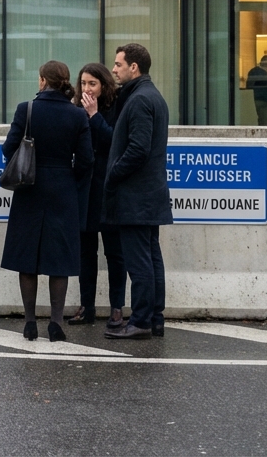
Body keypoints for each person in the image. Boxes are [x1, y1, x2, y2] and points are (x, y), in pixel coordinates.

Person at [0, 61, 93, 343]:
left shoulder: (25, 109)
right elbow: (87, 159)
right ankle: (55, 322)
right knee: (59, 259)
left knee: (27, 257)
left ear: (42, 81)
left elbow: (8, 148)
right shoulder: (77, 115)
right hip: (63, 190)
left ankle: (29, 322)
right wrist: (67, 177)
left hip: (29, 188)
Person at [102, 43, 172, 340]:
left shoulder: (140, 100)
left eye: (118, 65)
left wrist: (113, 173)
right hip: (148, 193)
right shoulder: (149, 96)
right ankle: (155, 318)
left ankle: (141, 320)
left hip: (136, 195)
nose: (114, 69)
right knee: (151, 257)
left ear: (134, 67)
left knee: (139, 261)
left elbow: (138, 150)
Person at [71, 62, 126, 329]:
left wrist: (94, 116)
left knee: (115, 253)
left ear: (103, 85)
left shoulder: (116, 108)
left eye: (92, 83)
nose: (87, 89)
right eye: (83, 83)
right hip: (85, 189)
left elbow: (113, 142)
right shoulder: (76, 108)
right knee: (86, 252)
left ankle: (117, 307)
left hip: (109, 189)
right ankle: (87, 306)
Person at [244, 54, 267, 126]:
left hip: (263, 99)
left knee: (264, 120)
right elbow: (253, 86)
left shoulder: (261, 71)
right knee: (264, 120)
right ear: (264, 62)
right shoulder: (257, 72)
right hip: (261, 99)